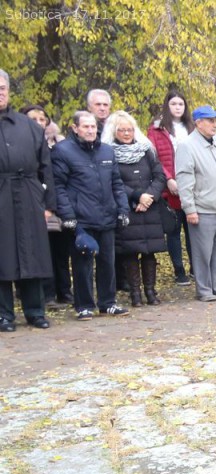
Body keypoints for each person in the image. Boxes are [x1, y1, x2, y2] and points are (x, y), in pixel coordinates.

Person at [52, 110, 130, 319]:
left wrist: (123, 209)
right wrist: (67, 215)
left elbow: (117, 183)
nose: (90, 130)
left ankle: (108, 303)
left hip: (107, 215)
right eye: (85, 126)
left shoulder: (106, 151)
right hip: (81, 219)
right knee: (82, 264)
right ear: (75, 128)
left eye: (93, 126)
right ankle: (84, 306)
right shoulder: (62, 151)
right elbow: (58, 186)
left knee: (107, 262)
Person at [0, 70, 55, 331]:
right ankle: (4, 314)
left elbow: (46, 166)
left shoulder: (29, 125)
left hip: (29, 194)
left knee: (32, 254)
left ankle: (35, 311)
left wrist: (49, 204)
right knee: (2, 255)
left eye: (2, 88)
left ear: (9, 91)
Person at [103, 111, 167, 307]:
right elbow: (113, 181)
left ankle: (151, 291)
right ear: (114, 131)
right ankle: (135, 294)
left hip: (150, 207)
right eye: (121, 130)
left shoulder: (146, 150)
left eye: (129, 129)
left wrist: (149, 197)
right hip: (128, 208)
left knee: (149, 252)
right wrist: (137, 196)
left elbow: (160, 176)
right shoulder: (108, 152)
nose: (126, 133)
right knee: (131, 252)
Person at [175, 105, 216, 302]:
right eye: (210, 120)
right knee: (203, 253)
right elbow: (184, 180)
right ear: (198, 123)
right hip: (203, 209)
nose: (214, 124)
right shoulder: (187, 146)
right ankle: (204, 290)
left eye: (215, 120)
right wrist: (189, 209)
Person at [22, 103, 72, 309]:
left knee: (61, 250)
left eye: (42, 119)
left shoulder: (58, 145)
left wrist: (54, 205)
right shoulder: (20, 145)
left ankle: (65, 291)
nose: (38, 123)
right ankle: (46, 294)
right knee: (42, 252)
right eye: (33, 119)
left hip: (57, 203)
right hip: (32, 203)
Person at [147, 91, 194, 285]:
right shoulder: (157, 129)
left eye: (181, 104)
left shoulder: (192, 127)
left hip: (192, 186)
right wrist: (168, 179)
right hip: (171, 188)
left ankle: (195, 267)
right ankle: (179, 270)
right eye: (173, 104)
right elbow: (154, 157)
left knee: (193, 230)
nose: (177, 107)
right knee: (174, 230)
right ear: (167, 106)